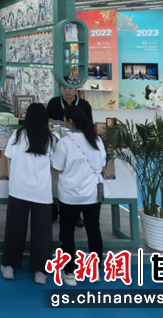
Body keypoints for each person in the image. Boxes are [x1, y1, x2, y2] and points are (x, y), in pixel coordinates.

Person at [1, 103, 59, 285]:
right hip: (42, 191)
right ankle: (41, 271)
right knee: (42, 233)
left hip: (18, 189)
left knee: (15, 228)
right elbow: (56, 163)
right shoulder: (51, 139)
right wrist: (55, 132)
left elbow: (9, 156)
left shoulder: (17, 135)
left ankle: (9, 266)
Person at [52, 105, 108, 287]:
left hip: (70, 195)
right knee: (94, 230)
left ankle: (69, 272)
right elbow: (102, 163)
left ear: (69, 121)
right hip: (92, 194)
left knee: (67, 232)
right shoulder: (96, 140)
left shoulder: (65, 143)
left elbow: (57, 167)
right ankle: (95, 270)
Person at [46, 83, 93, 226]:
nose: (68, 91)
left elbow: (89, 124)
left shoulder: (84, 105)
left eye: (71, 88)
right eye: (65, 88)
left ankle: (76, 215)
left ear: (76, 89)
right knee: (53, 177)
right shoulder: (53, 103)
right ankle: (53, 212)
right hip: (56, 145)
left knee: (75, 177)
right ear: (60, 88)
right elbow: (46, 121)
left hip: (76, 146)